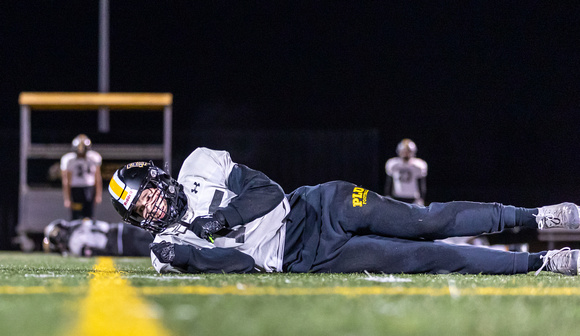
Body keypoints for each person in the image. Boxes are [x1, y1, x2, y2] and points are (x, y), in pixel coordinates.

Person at [108, 147, 580, 276]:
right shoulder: (167, 248)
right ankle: (543, 263)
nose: (152, 203)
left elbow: (266, 191)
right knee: (430, 257)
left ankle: (539, 217)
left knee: (424, 221)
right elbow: (242, 263)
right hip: (307, 259)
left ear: (160, 178)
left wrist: (221, 220)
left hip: (317, 204)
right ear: (138, 218)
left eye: (148, 191)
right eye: (141, 207)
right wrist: (185, 257)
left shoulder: (198, 165)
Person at [43, 218, 154, 257]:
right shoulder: (76, 230)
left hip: (117, 241)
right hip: (117, 232)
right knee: (151, 240)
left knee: (151, 247)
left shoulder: (74, 243)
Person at [60, 134, 103, 219]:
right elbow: (66, 180)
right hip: (76, 189)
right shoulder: (69, 160)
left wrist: (98, 194)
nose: (81, 155)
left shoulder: (94, 158)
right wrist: (67, 198)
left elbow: (97, 177)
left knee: (89, 216)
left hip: (89, 188)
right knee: (76, 215)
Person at [384, 139, 427, 205]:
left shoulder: (419, 165)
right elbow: (389, 182)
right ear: (399, 151)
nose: (406, 154)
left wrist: (421, 198)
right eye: (404, 151)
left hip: (412, 197)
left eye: (408, 151)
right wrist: (388, 195)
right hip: (397, 197)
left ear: (413, 152)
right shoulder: (393, 164)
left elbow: (421, 183)